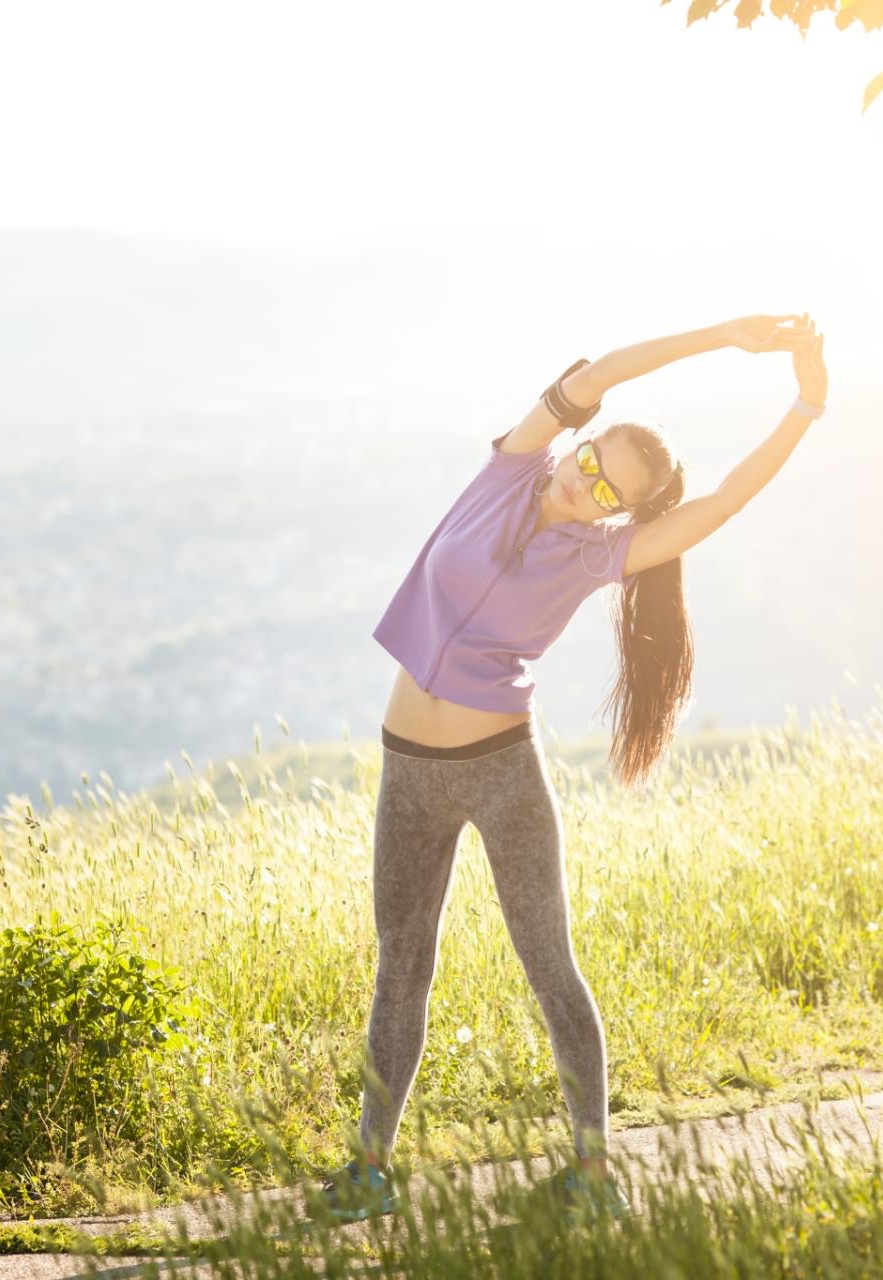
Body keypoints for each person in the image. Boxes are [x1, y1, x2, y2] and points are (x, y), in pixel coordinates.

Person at [318, 314, 830, 1224]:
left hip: (500, 769)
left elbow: (722, 505)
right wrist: (729, 337)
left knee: (549, 964)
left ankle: (593, 1173)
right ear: (576, 444)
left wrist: (805, 404)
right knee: (401, 964)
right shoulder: (511, 466)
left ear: (618, 513)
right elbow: (602, 373)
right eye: (589, 459)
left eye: (607, 491)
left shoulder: (600, 553)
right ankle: (370, 1168)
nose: (584, 482)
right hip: (407, 766)